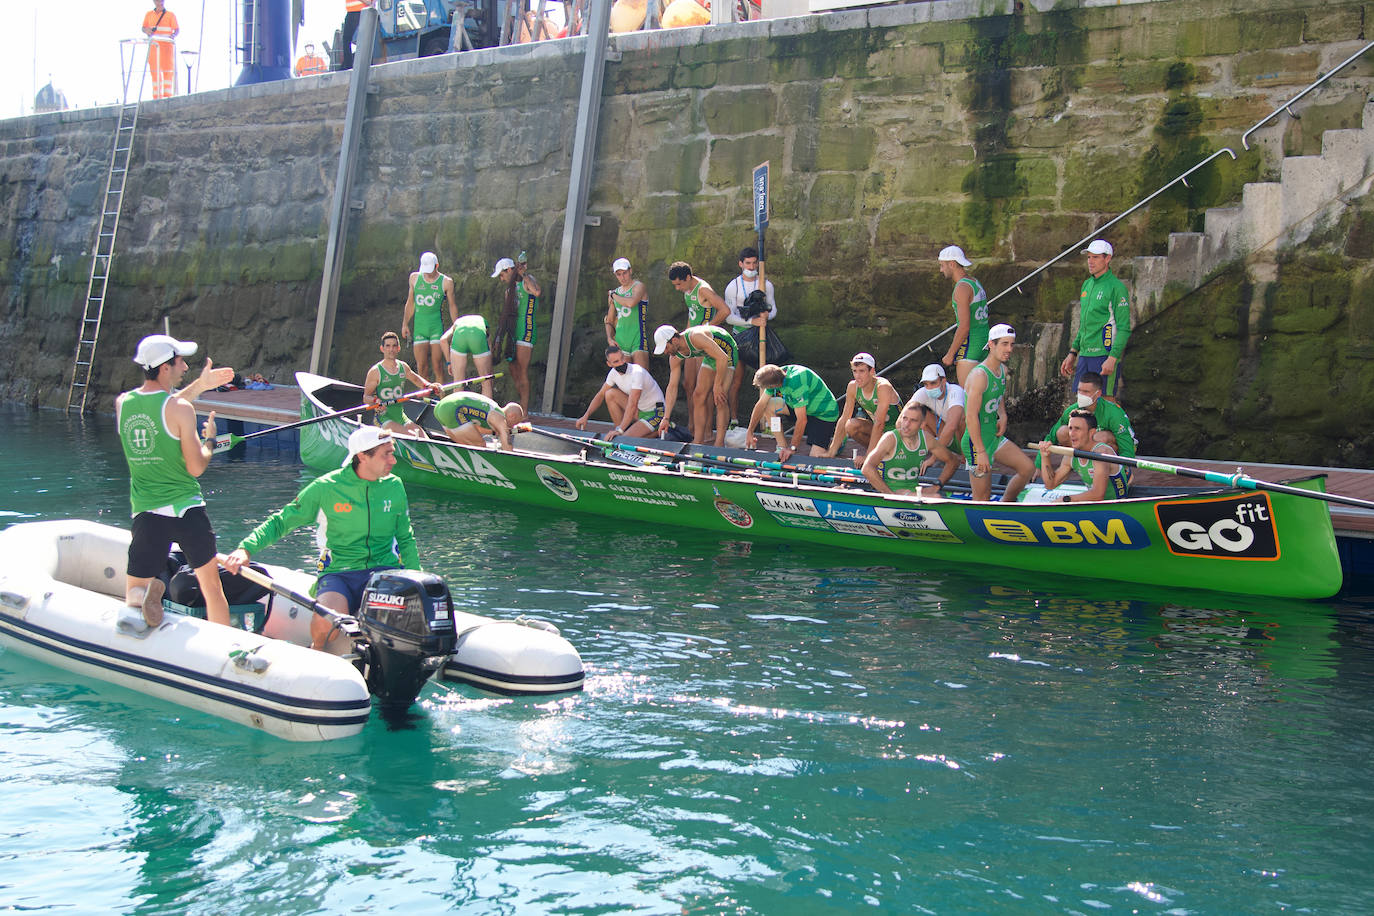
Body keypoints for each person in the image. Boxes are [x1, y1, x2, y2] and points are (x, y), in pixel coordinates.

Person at [223, 427, 418, 651]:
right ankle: (317, 656)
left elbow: (405, 537)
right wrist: (245, 549)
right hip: (340, 572)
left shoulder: (394, 486)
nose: (393, 460)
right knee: (327, 622)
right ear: (362, 456)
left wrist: (416, 578)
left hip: (385, 571)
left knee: (399, 627)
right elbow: (281, 521)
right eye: (386, 454)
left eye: (392, 452)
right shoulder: (326, 487)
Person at [117, 334, 234, 629]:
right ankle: (224, 648)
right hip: (187, 509)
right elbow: (196, 467)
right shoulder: (181, 410)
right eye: (180, 361)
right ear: (165, 367)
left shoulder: (123, 404)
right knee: (212, 590)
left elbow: (160, 409)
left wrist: (200, 386)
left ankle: (142, 600)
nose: (184, 367)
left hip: (147, 510)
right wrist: (209, 441)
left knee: (133, 589)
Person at [962, 323, 1035, 502]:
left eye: (1011, 344)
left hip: (993, 435)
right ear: (991, 345)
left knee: (1027, 468)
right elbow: (970, 417)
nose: (1009, 349)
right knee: (982, 498)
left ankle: (1006, 505)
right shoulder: (979, 375)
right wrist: (980, 451)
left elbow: (998, 394)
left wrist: (1003, 415)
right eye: (1004, 344)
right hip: (975, 441)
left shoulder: (1001, 369)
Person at [1037, 371, 1137, 489]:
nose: (1081, 395)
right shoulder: (1072, 410)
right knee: (1062, 432)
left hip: (1111, 451)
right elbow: (1052, 436)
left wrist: (1124, 469)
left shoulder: (1114, 414)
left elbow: (1127, 448)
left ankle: (1103, 470)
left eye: (1086, 392)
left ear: (1098, 393)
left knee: (1100, 437)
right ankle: (1079, 466)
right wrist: (1039, 465)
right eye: (1079, 391)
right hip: (1086, 447)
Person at [1060, 239, 1131, 402]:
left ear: (1107, 259)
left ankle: (1119, 428)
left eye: (1096, 257)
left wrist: (1113, 358)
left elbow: (1124, 328)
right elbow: (1084, 325)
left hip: (1104, 354)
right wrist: (1073, 353)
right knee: (1082, 401)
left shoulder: (1117, 288)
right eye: (1089, 257)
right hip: (1085, 354)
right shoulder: (1087, 285)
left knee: (1105, 401)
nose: (1090, 262)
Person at [653, 324, 737, 447]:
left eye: (666, 347)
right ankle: (698, 441)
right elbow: (672, 386)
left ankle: (719, 443)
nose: (665, 352)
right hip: (711, 355)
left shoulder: (696, 337)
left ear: (675, 340)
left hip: (726, 352)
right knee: (698, 396)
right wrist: (666, 418)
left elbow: (722, 358)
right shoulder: (674, 357)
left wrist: (717, 385)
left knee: (720, 398)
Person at [722, 246, 777, 421]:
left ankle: (768, 422)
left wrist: (767, 315)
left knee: (768, 381)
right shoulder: (733, 287)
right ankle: (733, 420)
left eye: (754, 263)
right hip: (739, 337)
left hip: (760, 336)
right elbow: (729, 317)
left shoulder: (765, 284)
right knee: (735, 382)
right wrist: (750, 321)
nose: (751, 267)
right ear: (741, 263)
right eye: (748, 263)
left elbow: (773, 309)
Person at [744, 363, 840, 461]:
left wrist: (792, 448)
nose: (764, 389)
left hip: (823, 413)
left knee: (815, 458)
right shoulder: (775, 374)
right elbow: (761, 404)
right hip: (801, 408)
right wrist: (750, 431)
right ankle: (781, 446)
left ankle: (839, 441)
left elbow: (802, 420)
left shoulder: (796, 381)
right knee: (768, 406)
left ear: (773, 386)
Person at [667, 261, 727, 412]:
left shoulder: (703, 290)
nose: (677, 288)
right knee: (688, 385)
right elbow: (692, 315)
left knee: (702, 391)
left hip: (701, 343)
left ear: (688, 277)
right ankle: (692, 426)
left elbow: (725, 311)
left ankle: (705, 431)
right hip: (688, 341)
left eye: (679, 284)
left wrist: (706, 329)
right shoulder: (687, 289)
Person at [861, 402, 956, 497]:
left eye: (913, 420)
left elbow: (953, 461)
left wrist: (937, 486)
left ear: (922, 424)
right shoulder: (890, 438)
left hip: (913, 493)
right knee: (937, 497)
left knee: (940, 495)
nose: (906, 424)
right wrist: (890, 494)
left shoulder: (926, 439)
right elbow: (867, 468)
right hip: (888, 494)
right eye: (904, 418)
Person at [1036, 409, 1130, 502]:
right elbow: (1050, 485)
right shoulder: (1070, 455)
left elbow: (1097, 495)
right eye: (1070, 428)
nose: (1072, 434)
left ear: (1091, 432)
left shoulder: (1101, 453)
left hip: (1117, 507)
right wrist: (1045, 457)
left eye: (1077, 429)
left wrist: (1066, 499)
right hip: (1096, 507)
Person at [575, 346, 666, 439]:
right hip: (639, 411)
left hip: (655, 412)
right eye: (616, 362)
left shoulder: (637, 372)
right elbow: (600, 394)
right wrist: (586, 415)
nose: (622, 363)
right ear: (609, 364)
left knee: (624, 440)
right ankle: (620, 430)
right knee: (609, 394)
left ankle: (654, 431)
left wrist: (620, 430)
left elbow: (632, 404)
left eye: (622, 358)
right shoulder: (613, 374)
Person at [827, 352, 902, 462]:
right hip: (880, 432)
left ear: (872, 371)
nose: (857, 376)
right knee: (850, 425)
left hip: (898, 433)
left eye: (862, 371)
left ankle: (878, 454)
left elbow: (880, 423)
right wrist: (831, 451)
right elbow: (844, 418)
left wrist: (868, 457)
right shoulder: (852, 386)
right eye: (854, 371)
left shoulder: (883, 386)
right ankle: (880, 453)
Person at [492, 255, 542, 412]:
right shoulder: (509, 290)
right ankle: (520, 406)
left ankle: (524, 410)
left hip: (526, 329)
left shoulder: (526, 280)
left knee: (522, 369)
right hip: (514, 331)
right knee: (513, 367)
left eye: (502, 274)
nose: (501, 279)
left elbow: (537, 291)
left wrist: (523, 274)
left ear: (509, 270)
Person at [363, 331, 436, 436]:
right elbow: (366, 397)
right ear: (382, 349)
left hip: (401, 416)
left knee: (423, 436)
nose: (391, 349)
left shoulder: (403, 367)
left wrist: (429, 386)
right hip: (384, 418)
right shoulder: (375, 371)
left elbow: (416, 380)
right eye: (388, 346)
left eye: (394, 346)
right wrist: (376, 401)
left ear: (398, 348)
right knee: (411, 436)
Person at [401, 251, 458, 386]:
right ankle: (425, 399)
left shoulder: (446, 282)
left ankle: (440, 399)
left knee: (437, 365)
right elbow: (410, 302)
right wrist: (405, 323)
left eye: (430, 270)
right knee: (421, 367)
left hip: (435, 327)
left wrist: (456, 326)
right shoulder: (414, 278)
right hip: (420, 327)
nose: (427, 273)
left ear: (437, 266)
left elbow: (452, 305)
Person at [936, 245, 989, 388]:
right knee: (985, 397)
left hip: (971, 347)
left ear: (952, 264)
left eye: (942, 265)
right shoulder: (974, 282)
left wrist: (950, 354)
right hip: (985, 344)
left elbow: (964, 326)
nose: (941, 270)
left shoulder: (961, 288)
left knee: (968, 399)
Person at [908, 363, 966, 489]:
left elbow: (952, 425)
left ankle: (965, 458)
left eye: (933, 383)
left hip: (969, 438)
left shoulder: (955, 391)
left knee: (961, 419)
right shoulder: (922, 392)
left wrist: (933, 458)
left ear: (943, 381)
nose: (929, 388)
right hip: (948, 437)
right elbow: (902, 419)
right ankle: (922, 455)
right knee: (918, 417)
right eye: (926, 384)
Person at [433, 390, 524, 450]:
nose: (512, 427)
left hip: (440, 408)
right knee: (480, 445)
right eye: (514, 424)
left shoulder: (492, 410)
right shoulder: (500, 417)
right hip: (453, 409)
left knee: (465, 443)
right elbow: (507, 444)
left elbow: (472, 429)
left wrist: (494, 432)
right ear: (512, 416)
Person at [605, 257, 650, 370]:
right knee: (624, 382)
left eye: (624, 273)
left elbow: (631, 303)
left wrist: (613, 295)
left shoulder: (639, 286)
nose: (622, 277)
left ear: (630, 271)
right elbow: (609, 320)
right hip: (620, 341)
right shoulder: (615, 292)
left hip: (638, 340)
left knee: (642, 378)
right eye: (618, 274)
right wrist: (610, 339)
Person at [438, 314, 494, 397]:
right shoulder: (482, 321)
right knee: (486, 382)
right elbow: (489, 347)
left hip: (459, 338)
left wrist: (449, 363)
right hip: (478, 336)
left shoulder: (457, 323)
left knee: (458, 384)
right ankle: (487, 409)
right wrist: (489, 369)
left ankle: (457, 408)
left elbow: (443, 340)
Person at [142, 0, 180, 100]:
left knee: (167, 71)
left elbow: (177, 29)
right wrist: (147, 30)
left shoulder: (170, 15)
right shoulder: (149, 14)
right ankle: (156, 97)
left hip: (166, 47)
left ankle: (167, 96)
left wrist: (173, 35)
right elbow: (143, 27)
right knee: (155, 72)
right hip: (154, 48)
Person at [339, 0, 373, 71]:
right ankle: (350, 64)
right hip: (357, 11)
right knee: (360, 39)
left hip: (356, 12)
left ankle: (349, 65)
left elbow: (369, 2)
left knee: (348, 40)